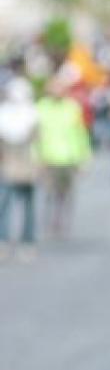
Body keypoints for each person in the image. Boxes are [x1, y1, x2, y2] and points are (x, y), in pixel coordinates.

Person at [35, 79, 92, 240]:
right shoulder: (41, 107)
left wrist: (84, 158)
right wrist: (35, 157)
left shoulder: (72, 108)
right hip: (48, 157)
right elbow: (35, 135)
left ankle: (62, 220)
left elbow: (80, 134)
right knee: (49, 191)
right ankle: (50, 220)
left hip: (68, 158)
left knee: (65, 193)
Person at [0, 75, 40, 261]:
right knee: (4, 205)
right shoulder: (4, 114)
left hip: (26, 168)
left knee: (28, 206)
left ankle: (28, 241)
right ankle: (4, 241)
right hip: (7, 167)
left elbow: (38, 144)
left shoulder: (32, 115)